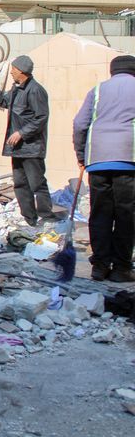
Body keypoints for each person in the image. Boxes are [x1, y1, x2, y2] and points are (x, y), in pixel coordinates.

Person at [73, 54, 135, 283]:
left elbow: (80, 124)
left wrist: (81, 155)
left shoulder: (97, 90)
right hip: (129, 160)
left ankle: (99, 266)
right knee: (126, 214)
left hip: (97, 160)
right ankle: (121, 268)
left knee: (100, 213)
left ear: (112, 71)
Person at [0, 55, 53, 227]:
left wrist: (21, 133)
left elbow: (41, 117)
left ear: (21, 71)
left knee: (37, 183)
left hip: (32, 147)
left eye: (13, 69)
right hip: (18, 148)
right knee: (20, 184)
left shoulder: (35, 90)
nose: (11, 72)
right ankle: (29, 219)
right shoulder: (16, 90)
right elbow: (3, 101)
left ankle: (47, 217)